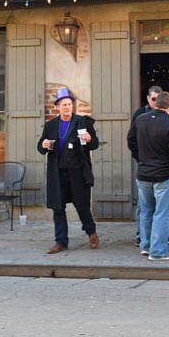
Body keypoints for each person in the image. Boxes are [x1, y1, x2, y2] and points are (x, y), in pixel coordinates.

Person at [37, 87, 100, 254]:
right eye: (63, 104)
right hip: (57, 173)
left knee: (82, 206)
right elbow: (41, 146)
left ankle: (91, 232)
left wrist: (89, 139)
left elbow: (94, 144)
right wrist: (43, 145)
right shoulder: (51, 125)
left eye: (69, 104)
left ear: (73, 106)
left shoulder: (83, 122)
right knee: (58, 208)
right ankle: (61, 242)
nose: (67, 107)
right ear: (58, 107)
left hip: (77, 172)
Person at [127, 91, 169, 261]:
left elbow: (131, 141)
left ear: (155, 103)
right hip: (164, 174)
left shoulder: (140, 119)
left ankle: (145, 246)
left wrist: (140, 158)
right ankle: (157, 251)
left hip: (143, 173)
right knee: (162, 214)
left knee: (146, 211)